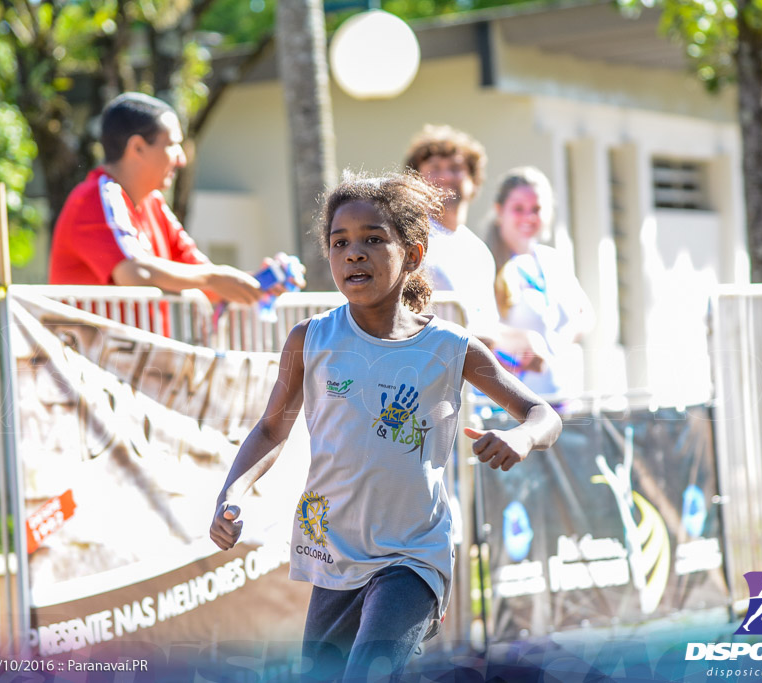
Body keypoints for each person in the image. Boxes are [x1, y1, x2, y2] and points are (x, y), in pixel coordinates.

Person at [209, 171, 562, 679]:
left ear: (414, 254)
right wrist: (233, 491)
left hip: (413, 556)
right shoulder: (309, 340)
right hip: (333, 554)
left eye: (374, 239)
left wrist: (521, 436)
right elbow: (271, 430)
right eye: (340, 242)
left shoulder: (450, 348)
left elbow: (541, 413)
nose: (354, 253)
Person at [48, 92, 281, 304]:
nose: (182, 159)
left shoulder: (153, 202)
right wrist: (214, 277)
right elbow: (135, 272)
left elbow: (201, 276)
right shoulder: (96, 197)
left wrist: (260, 283)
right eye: (172, 145)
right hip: (85, 352)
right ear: (137, 148)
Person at [404, 125, 548, 373]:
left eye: (456, 168)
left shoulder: (478, 250)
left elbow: (485, 328)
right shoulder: (408, 240)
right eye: (434, 168)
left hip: (476, 397)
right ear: (416, 180)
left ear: (474, 181)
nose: (446, 176)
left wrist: (524, 344)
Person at [486, 167, 594, 400]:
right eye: (518, 209)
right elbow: (476, 333)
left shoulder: (552, 260)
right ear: (499, 211)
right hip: (510, 408)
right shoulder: (486, 263)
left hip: (562, 399)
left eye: (536, 209)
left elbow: (586, 315)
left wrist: (559, 341)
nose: (528, 217)